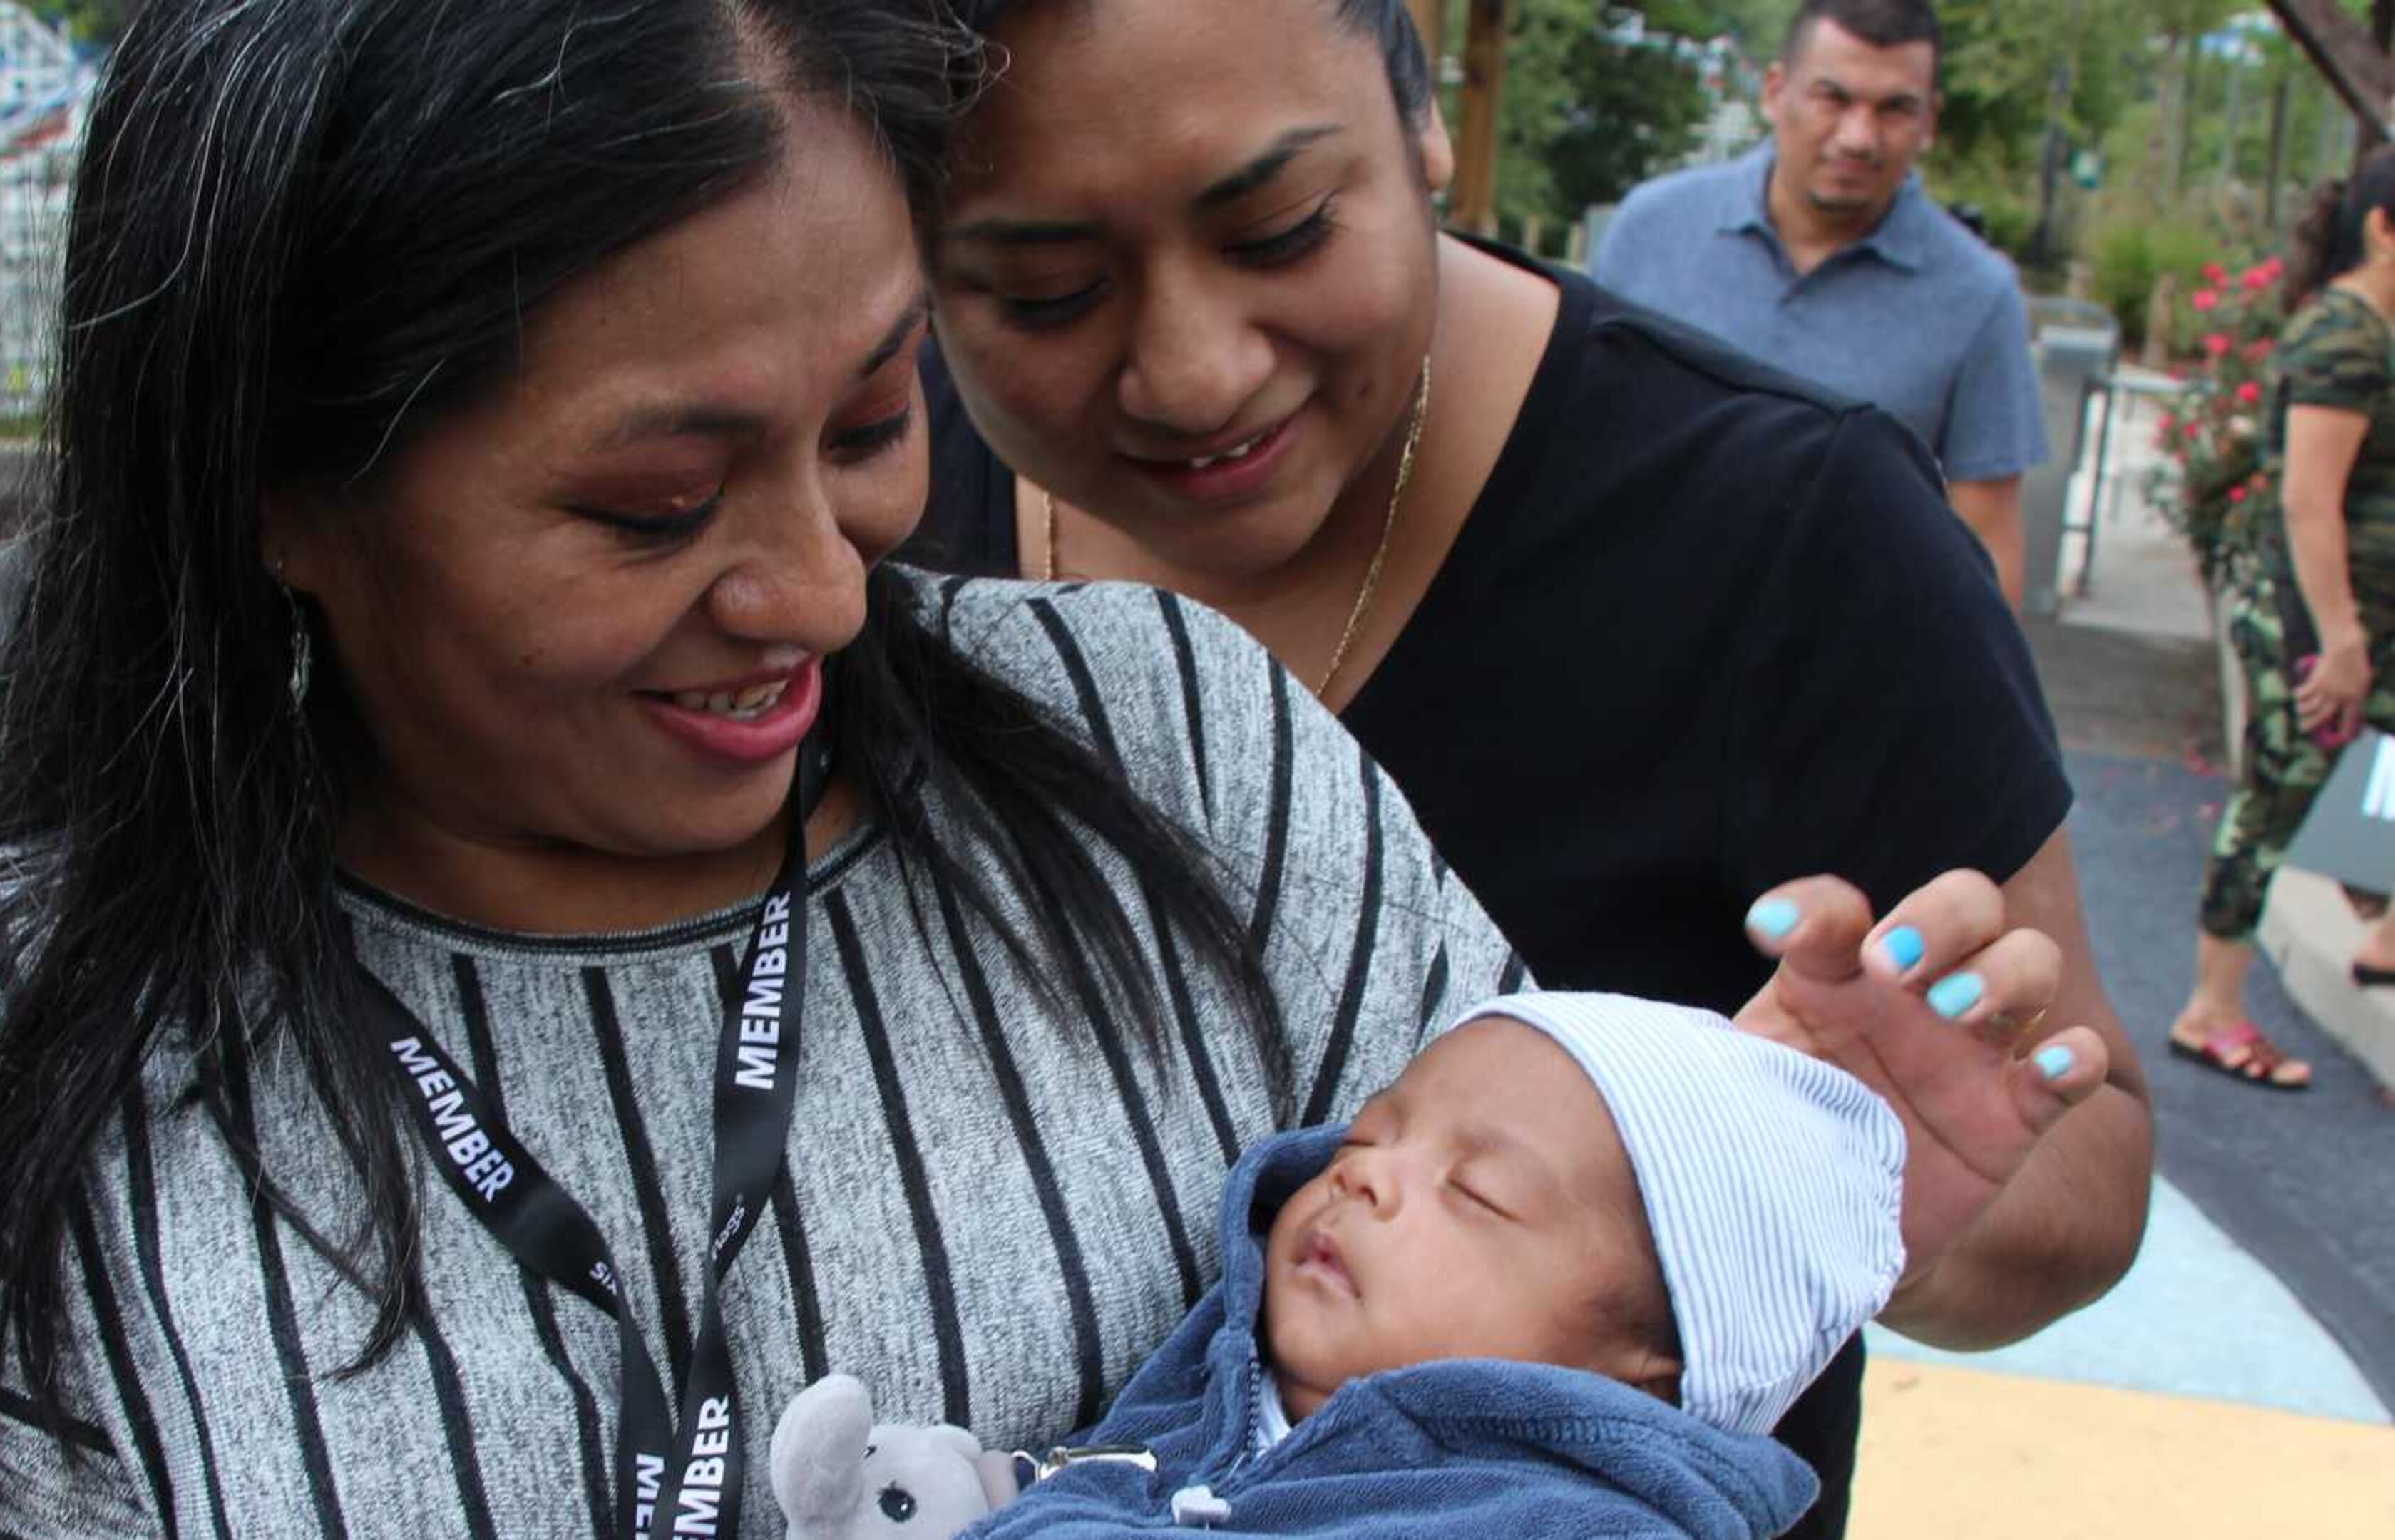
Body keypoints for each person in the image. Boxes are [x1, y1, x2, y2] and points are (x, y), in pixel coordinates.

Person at [0, 4, 2081, 1539]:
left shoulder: (1193, 760)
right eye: (655, 504)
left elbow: (1568, 1403)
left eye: (877, 424)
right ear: (279, 488)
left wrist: (1723, 1162)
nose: (820, 585)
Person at [908, 1, 2152, 1534]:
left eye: (1284, 228)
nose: (1192, 374)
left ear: (1423, 120)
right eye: (1043, 294)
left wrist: (1885, 1211)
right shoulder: (852, 503)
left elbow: (2083, 1156)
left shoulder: (1793, 540)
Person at [806, 990, 1945, 1539]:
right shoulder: (1230, 1382)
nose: (1367, 1177)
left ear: (1649, 1368)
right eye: (1365, 1136)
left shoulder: (1568, 1523)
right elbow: (1105, 1478)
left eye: (1479, 1191)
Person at [1592, 0, 2046, 605]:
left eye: (1894, 109)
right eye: (1833, 97)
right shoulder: (1650, 231)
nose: (1858, 137)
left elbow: (1985, 539)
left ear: (1930, 121)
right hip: (1642, 629)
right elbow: (1582, 451)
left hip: (1847, 668)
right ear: (1776, 91)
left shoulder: (1978, 295)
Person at [2171, 149, 2395, 1091]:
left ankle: (2382, 929)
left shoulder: (2378, 330)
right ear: (2385, 229)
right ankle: (2209, 1010)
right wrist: (2340, 641)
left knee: (2381, 780)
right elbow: (2309, 501)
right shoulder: (2345, 335)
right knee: (2277, 804)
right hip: (2316, 629)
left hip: (2368, 626)